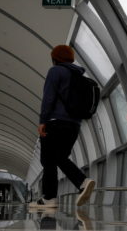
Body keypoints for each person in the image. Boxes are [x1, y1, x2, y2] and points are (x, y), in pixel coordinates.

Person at [29, 45, 95, 208]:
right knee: (59, 157)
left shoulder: (56, 71)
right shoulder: (80, 76)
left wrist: (42, 121)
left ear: (55, 58)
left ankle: (52, 197)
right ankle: (77, 184)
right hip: (74, 125)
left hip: (55, 122)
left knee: (48, 159)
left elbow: (49, 98)